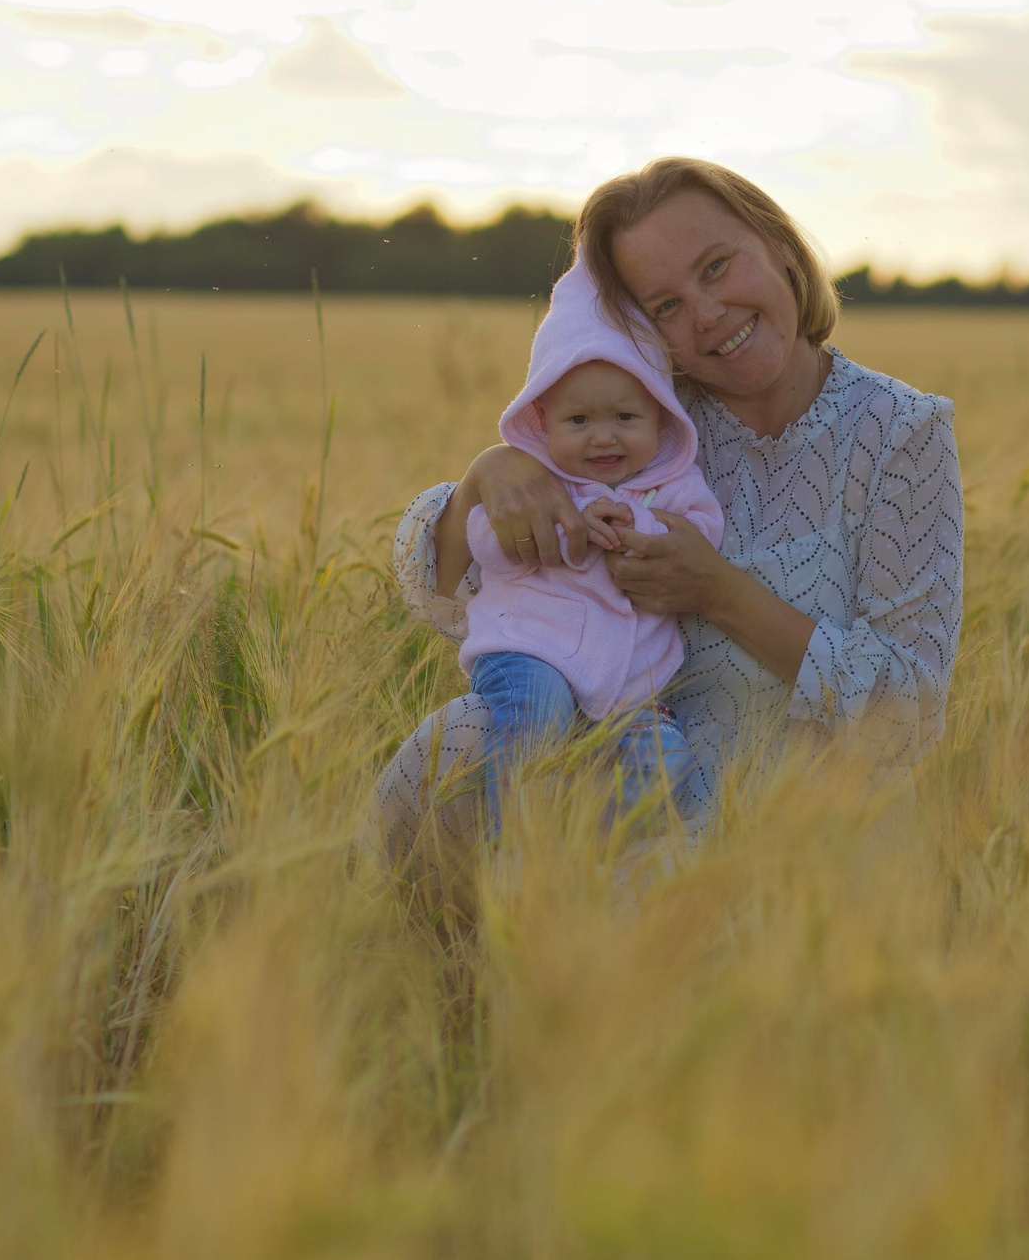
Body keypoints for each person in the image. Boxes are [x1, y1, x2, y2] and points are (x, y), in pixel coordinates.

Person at [376, 156, 963, 855]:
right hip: (631, 793)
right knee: (459, 740)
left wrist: (719, 593)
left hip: (814, 830)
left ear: (778, 244)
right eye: (665, 307)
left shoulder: (901, 430)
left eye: (716, 267)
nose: (707, 315)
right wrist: (486, 476)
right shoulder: (643, 422)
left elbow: (910, 711)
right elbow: (439, 588)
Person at [451, 260, 726, 833]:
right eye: (578, 420)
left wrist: (635, 526)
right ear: (542, 420)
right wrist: (567, 525)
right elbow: (486, 542)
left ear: (660, 416)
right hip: (531, 651)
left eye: (625, 417)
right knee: (534, 721)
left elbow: (701, 536)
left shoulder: (674, 484)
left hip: (633, 683)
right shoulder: (537, 480)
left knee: (667, 762)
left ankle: (594, 854)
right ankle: (521, 852)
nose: (603, 437)